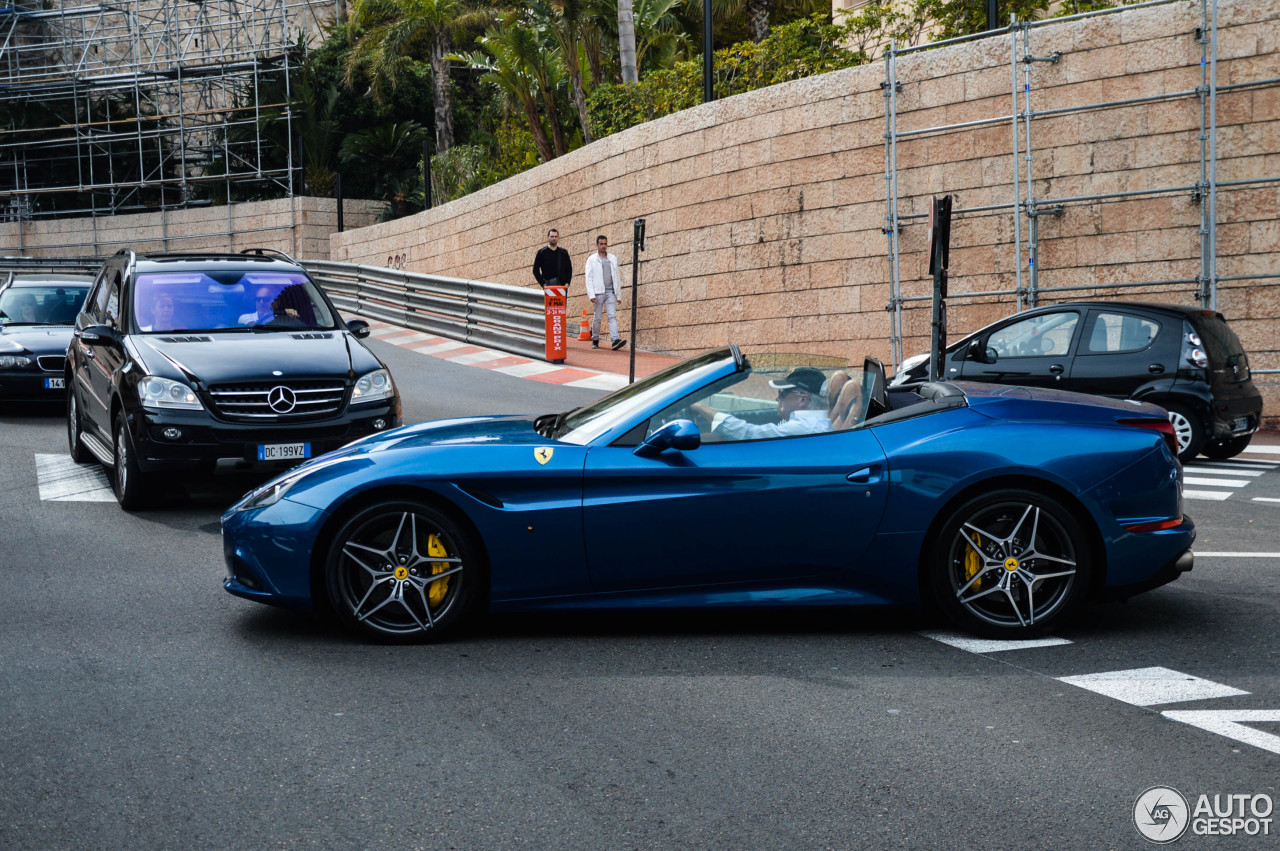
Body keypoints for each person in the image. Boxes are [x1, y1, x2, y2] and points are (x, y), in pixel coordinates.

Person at [693, 367, 832, 440]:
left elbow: (749, 434)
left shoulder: (804, 428)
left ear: (803, 399)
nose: (778, 398)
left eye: (782, 393)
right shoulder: (814, 424)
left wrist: (699, 407)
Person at [583, 234, 626, 350]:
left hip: (610, 292)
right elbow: (589, 277)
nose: (603, 246)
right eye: (601, 244)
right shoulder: (592, 259)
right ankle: (595, 339)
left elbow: (616, 277)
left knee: (612, 316)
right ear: (597, 245)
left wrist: (618, 295)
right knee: (598, 317)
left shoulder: (612, 258)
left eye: (605, 244)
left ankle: (615, 340)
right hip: (598, 292)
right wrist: (591, 294)